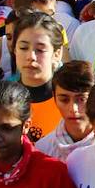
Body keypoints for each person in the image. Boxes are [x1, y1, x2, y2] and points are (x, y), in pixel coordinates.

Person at [12, 11, 66, 142]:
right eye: (24, 48)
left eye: (40, 50)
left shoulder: (70, 103)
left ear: (57, 54)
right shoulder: (3, 101)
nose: (31, 56)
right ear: (14, 50)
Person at [35, 61, 95, 162]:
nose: (73, 109)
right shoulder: (42, 150)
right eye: (64, 100)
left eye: (82, 99)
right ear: (54, 98)